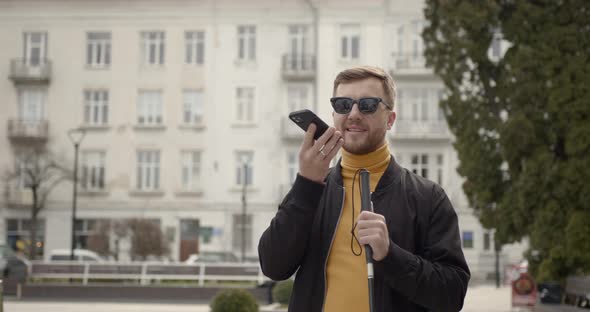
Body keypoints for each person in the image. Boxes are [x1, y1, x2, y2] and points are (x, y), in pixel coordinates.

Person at [258, 66, 470, 312]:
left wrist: (390, 255)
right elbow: (273, 265)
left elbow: (452, 294)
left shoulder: (427, 197)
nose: (354, 114)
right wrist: (306, 185)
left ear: (390, 119)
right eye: (343, 104)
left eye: (367, 105)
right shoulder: (312, 189)